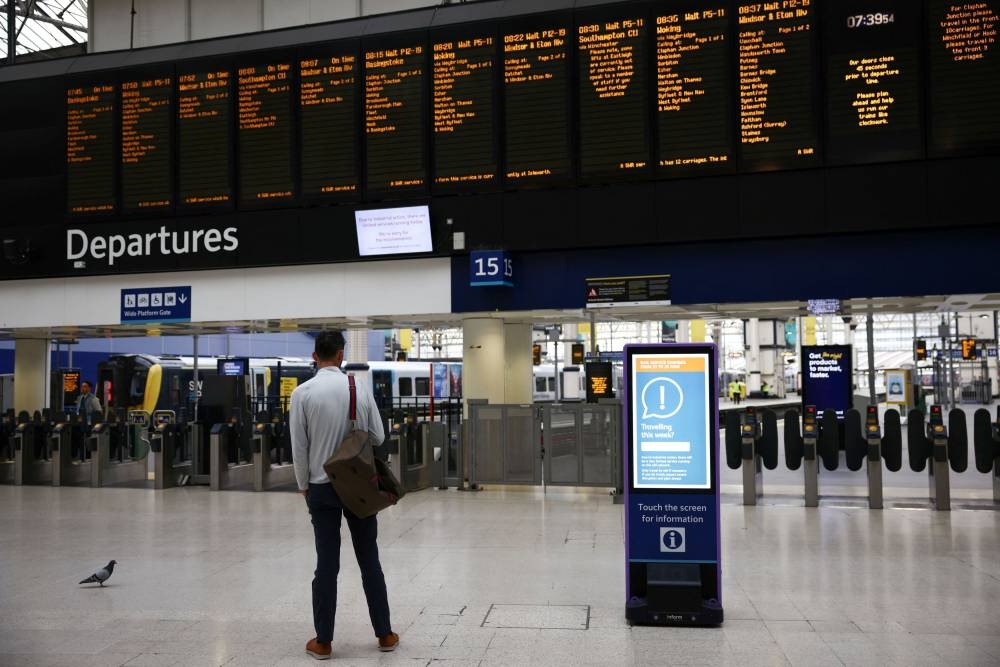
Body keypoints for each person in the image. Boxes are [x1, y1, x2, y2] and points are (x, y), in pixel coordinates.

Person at [290, 330, 398, 661]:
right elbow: (379, 436)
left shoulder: (302, 393)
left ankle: (323, 641)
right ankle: (385, 635)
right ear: (340, 355)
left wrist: (304, 485)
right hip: (359, 488)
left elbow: (299, 446)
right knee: (369, 561)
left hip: (321, 488)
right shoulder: (357, 388)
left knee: (326, 565)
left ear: (315, 356)